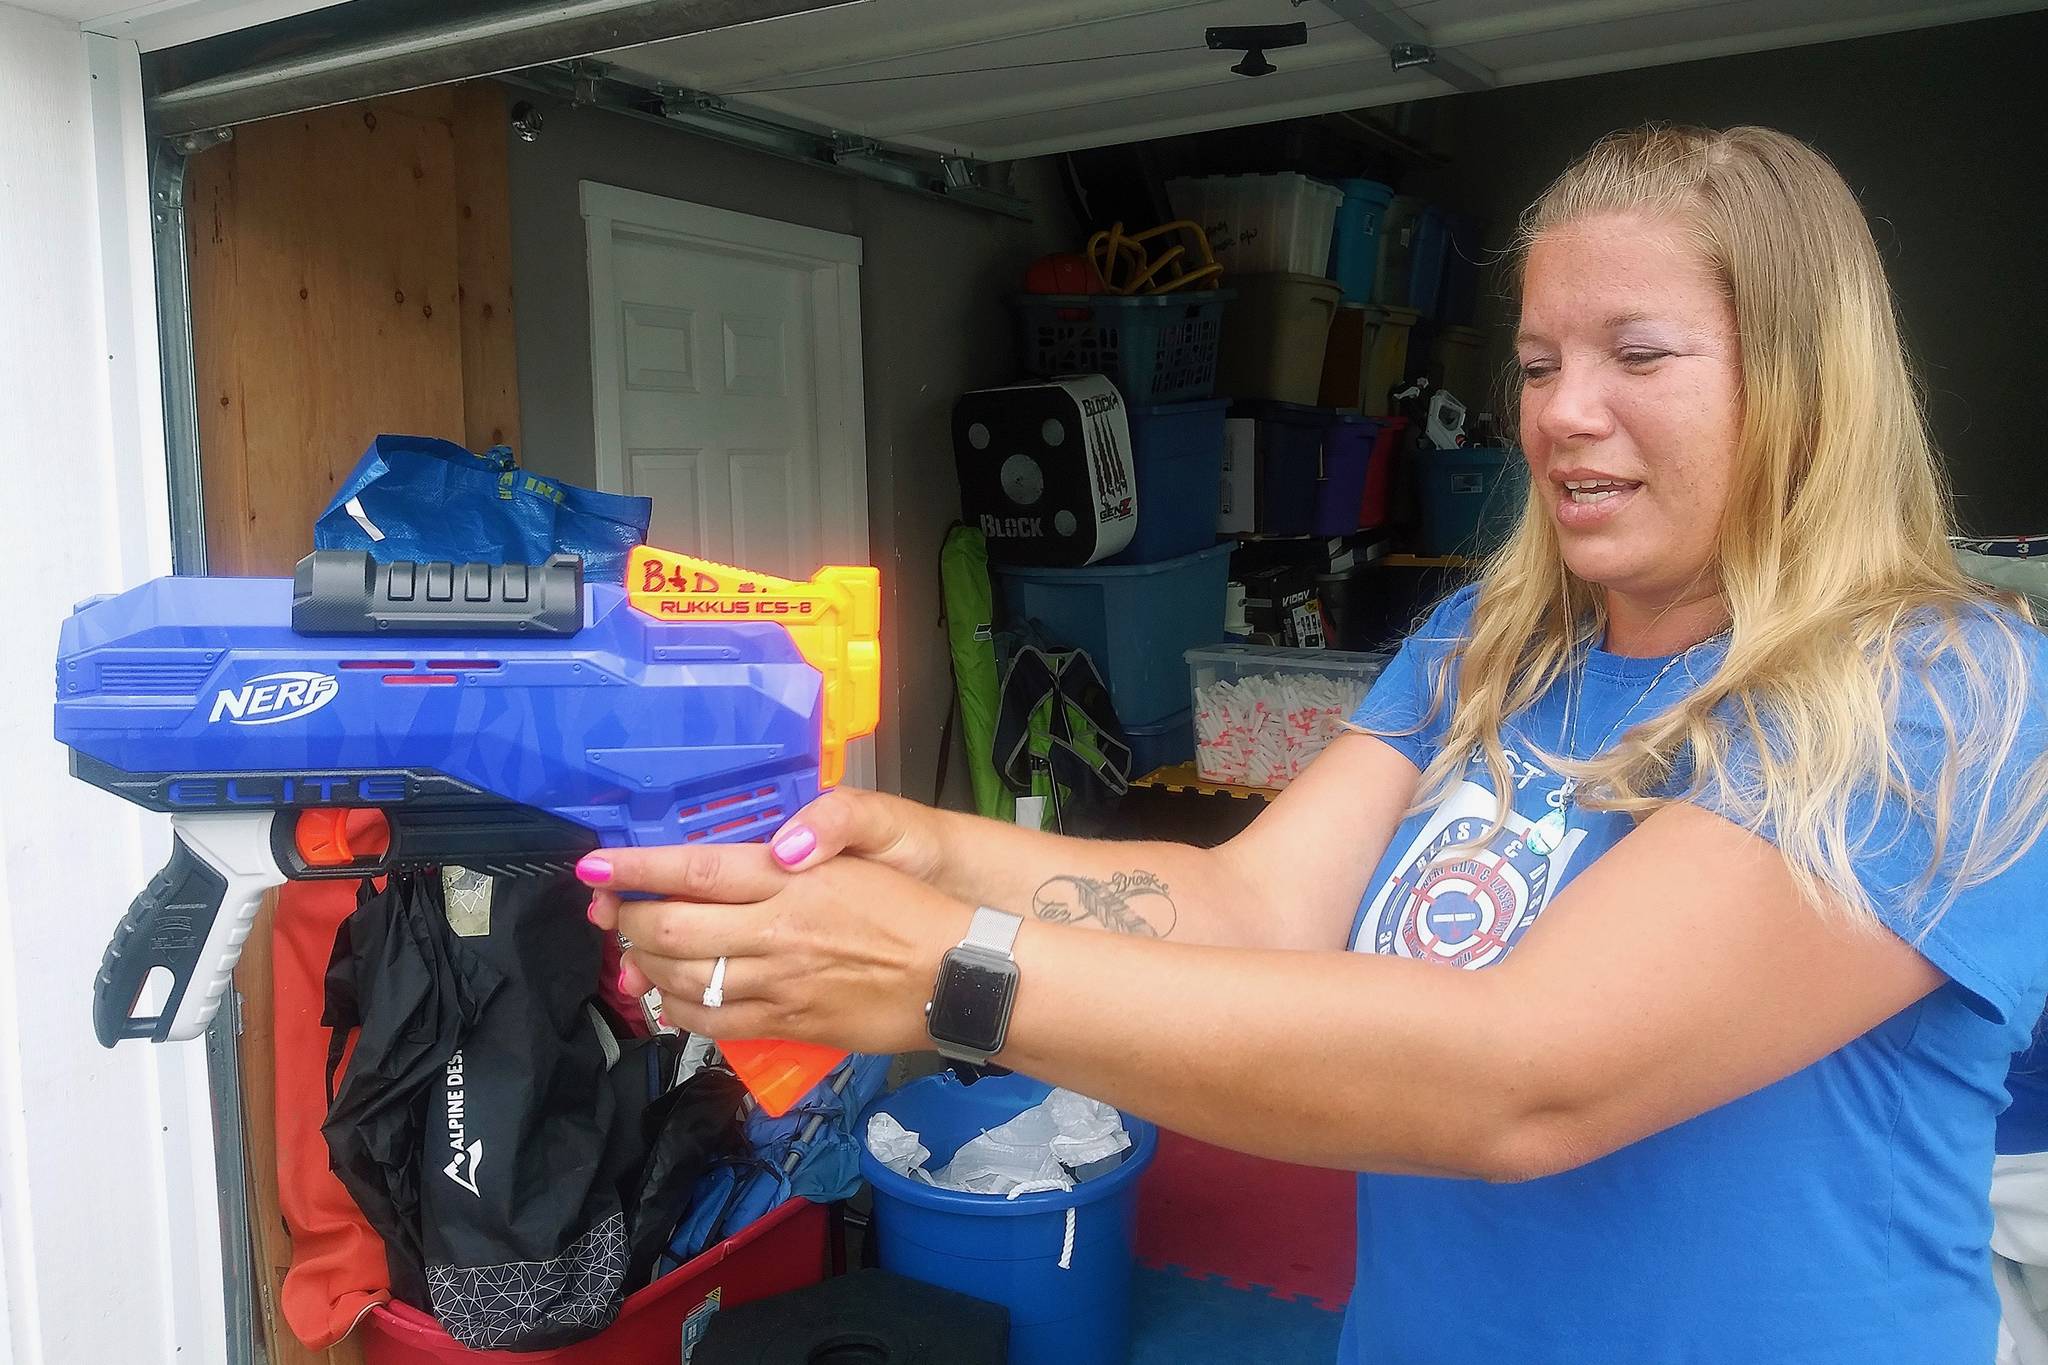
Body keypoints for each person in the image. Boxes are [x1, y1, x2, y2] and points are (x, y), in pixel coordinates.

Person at [583, 125, 2048, 1363]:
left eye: (1637, 353)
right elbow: (1257, 907)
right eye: (1537, 363)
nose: (1562, 415)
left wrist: (943, 974)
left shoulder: (1940, 690)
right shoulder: (1499, 640)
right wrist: (921, 846)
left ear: (1803, 379)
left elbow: (1524, 1076)